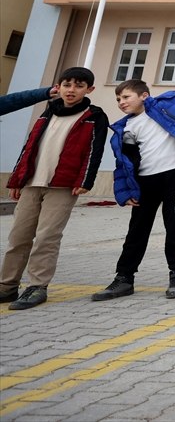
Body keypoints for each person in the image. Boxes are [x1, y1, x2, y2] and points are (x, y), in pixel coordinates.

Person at [92, 47, 175, 302]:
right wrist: (126, 192)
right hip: (145, 183)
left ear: (144, 95)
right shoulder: (124, 128)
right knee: (136, 231)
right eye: (118, 99)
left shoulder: (171, 105)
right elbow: (125, 164)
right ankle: (123, 278)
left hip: (174, 177)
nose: (121, 102)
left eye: (126, 97)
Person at [1, 68, 107, 310]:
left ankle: (37, 286)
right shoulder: (46, 113)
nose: (72, 90)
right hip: (31, 183)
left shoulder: (94, 116)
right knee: (18, 237)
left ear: (89, 90)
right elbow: (29, 147)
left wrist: (85, 180)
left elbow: (94, 151)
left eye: (79, 86)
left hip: (63, 185)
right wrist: (17, 180)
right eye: (67, 85)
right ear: (58, 87)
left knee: (47, 237)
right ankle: (7, 286)